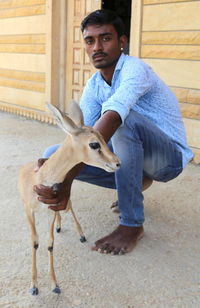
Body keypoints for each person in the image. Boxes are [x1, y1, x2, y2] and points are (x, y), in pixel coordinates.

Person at [34, 10, 193, 255]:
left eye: (105, 38)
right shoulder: (95, 85)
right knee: (54, 153)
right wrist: (59, 172)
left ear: (122, 42)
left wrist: (66, 175)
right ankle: (136, 180)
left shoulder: (135, 69)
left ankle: (132, 225)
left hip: (166, 160)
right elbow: (80, 139)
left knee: (122, 122)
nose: (97, 47)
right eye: (90, 41)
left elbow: (114, 117)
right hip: (131, 158)